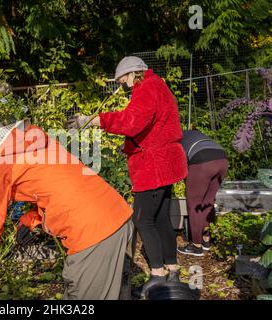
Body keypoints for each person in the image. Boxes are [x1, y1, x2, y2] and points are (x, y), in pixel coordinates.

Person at [0, 111, 134, 300]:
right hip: (119, 215)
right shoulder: (35, 141)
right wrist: (29, 220)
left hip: (93, 233)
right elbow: (55, 187)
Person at [67, 56, 188, 296]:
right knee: (162, 217)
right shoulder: (158, 85)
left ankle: (157, 275)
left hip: (153, 164)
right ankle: (172, 268)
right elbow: (147, 123)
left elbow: (132, 121)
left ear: (133, 73)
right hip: (165, 161)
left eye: (123, 80)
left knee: (143, 219)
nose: (123, 85)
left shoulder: (146, 88)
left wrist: (95, 120)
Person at [177, 129, 228, 257]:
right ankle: (206, 240)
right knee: (208, 202)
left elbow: (179, 164)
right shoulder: (193, 134)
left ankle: (196, 246)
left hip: (202, 160)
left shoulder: (175, 138)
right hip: (222, 158)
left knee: (194, 204)